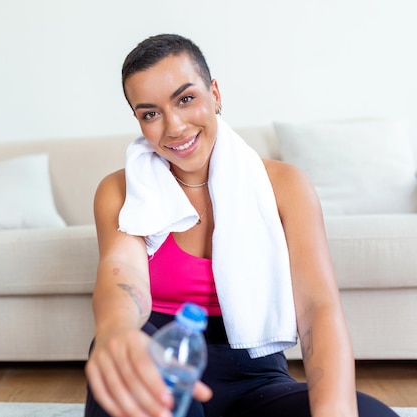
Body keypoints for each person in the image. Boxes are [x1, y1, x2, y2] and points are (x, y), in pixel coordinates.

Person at [84, 33, 398, 417]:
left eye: (186, 99)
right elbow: (122, 273)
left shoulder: (285, 185)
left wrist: (335, 411)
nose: (174, 126)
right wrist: (116, 333)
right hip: (158, 367)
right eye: (150, 113)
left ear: (214, 94)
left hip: (257, 382)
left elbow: (317, 306)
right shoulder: (121, 189)